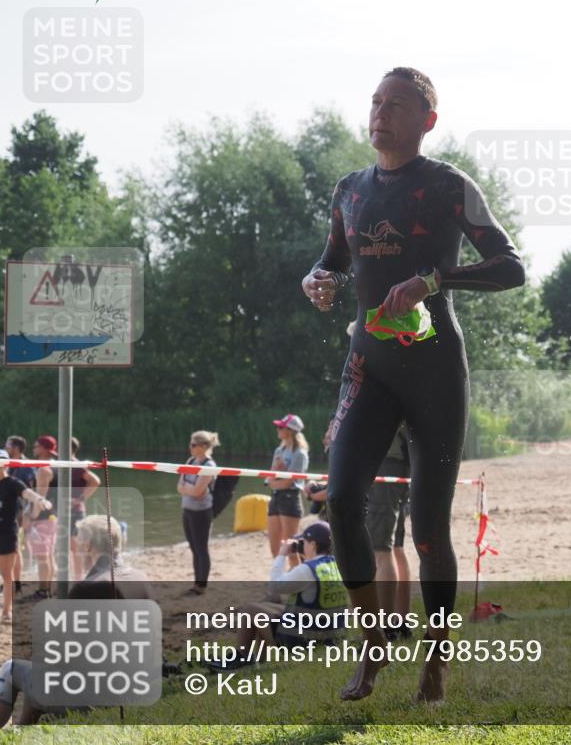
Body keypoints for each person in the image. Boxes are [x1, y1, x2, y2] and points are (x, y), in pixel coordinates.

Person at [301, 67, 524, 702]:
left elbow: (511, 267)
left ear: (428, 120)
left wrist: (433, 280)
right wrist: (317, 280)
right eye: (375, 101)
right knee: (341, 498)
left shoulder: (449, 185)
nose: (380, 112)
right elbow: (333, 261)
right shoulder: (349, 190)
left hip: (434, 369)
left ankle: (436, 659)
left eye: (396, 104)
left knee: (428, 529)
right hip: (367, 366)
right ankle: (372, 646)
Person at [0, 514, 152, 727]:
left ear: (88, 546)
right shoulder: (141, 578)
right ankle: (21, 732)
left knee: (11, 670)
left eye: (77, 543)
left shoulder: (88, 588)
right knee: (40, 673)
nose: (75, 549)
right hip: (136, 688)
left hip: (95, 698)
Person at [208, 522, 347, 671]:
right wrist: (298, 557)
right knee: (266, 612)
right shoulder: (336, 565)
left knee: (251, 610)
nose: (302, 545)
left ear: (313, 545)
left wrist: (281, 555)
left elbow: (275, 586)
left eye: (304, 542)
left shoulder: (307, 570)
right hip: (331, 636)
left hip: (306, 641)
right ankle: (257, 661)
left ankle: (241, 657)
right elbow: (303, 584)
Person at [365, 422, 413, 638]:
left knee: (381, 550)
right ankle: (400, 620)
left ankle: (385, 627)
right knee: (395, 548)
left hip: (387, 463)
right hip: (399, 465)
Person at [0, 450, 52, 623]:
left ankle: (7, 611)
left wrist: (40, 500)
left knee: (6, 575)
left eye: (3, 461)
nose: (0, 464)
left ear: (7, 464)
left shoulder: (12, 483)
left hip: (7, 534)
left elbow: (27, 493)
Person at [177, 430, 219, 596]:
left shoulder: (209, 466)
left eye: (194, 445)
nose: (190, 447)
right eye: (190, 444)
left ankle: (201, 586)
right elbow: (179, 486)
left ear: (203, 446)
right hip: (187, 509)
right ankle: (196, 583)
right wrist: (191, 490)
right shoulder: (190, 461)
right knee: (193, 547)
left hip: (201, 512)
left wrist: (190, 489)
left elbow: (196, 491)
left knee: (201, 548)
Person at [267, 414, 309, 567]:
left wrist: (275, 480)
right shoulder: (279, 450)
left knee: (291, 550)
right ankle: (279, 579)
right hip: (275, 498)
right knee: (275, 549)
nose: (277, 429)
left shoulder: (300, 454)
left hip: (290, 499)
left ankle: (297, 579)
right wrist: (277, 475)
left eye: (280, 427)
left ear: (290, 430)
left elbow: (288, 483)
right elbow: (270, 478)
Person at [28, 436, 60, 600]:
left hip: (43, 518)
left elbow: (40, 499)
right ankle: (47, 589)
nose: (33, 448)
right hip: (54, 517)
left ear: (44, 449)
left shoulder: (43, 470)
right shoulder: (56, 467)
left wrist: (31, 517)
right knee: (49, 555)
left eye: (36, 446)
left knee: (42, 557)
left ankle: (42, 591)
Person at [3, 436, 34, 597]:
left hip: (18, 514)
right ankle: (10, 583)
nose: (5, 447)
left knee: (15, 549)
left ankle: (17, 584)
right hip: (4, 513)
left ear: (16, 448)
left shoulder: (26, 467)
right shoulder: (7, 464)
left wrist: (27, 515)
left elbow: (31, 493)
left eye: (8, 445)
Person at [68, 437, 100, 581]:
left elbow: (95, 481)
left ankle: (79, 579)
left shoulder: (77, 465)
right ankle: (76, 577)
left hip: (76, 511)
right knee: (70, 547)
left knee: (76, 547)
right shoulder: (60, 464)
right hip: (64, 510)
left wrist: (80, 499)